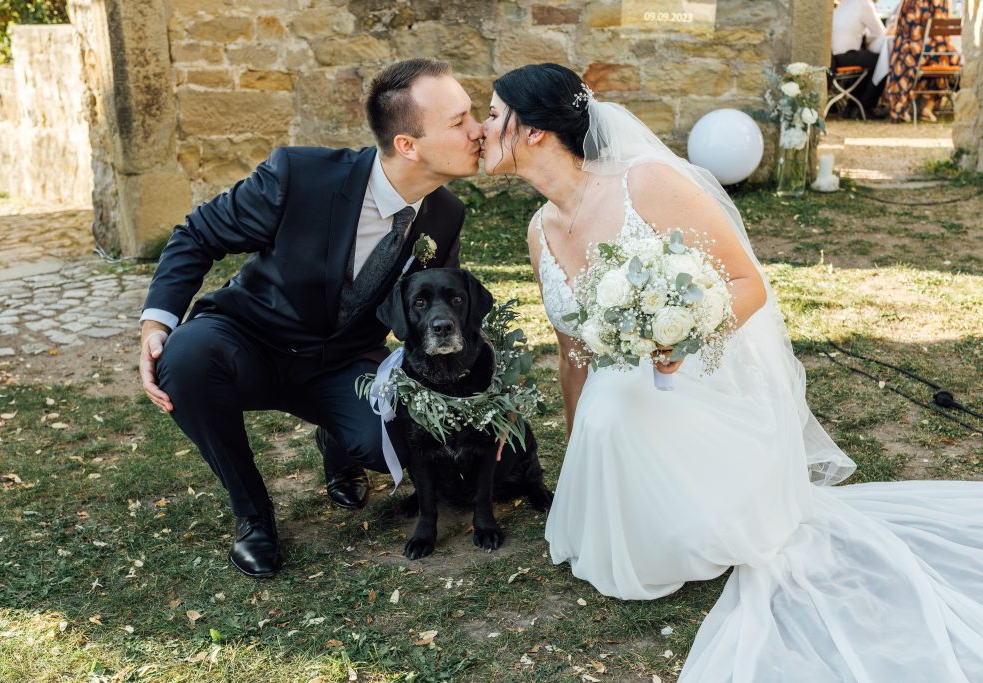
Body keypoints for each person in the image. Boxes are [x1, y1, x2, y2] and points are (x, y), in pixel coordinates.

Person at [481, 63, 983, 681]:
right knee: (607, 405)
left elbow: (747, 284)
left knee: (618, 410)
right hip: (615, 408)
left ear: (532, 130)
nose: (482, 128)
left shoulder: (646, 184)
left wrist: (684, 337)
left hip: (695, 380)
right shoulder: (538, 231)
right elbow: (571, 355)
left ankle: (701, 506)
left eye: (493, 114)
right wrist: (580, 460)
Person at [138, 58, 483, 578]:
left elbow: (434, 309)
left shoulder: (446, 215)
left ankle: (337, 442)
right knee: (184, 360)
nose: (478, 131)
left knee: (394, 443)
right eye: (459, 122)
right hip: (249, 340)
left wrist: (473, 396)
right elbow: (197, 235)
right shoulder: (299, 175)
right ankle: (253, 515)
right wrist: (156, 325)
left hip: (345, 362)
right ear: (408, 145)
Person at [884, 0, 961, 122]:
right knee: (946, 58)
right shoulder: (942, 2)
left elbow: (901, 30)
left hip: (911, 57)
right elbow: (944, 29)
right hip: (936, 55)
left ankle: (906, 106)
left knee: (905, 58)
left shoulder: (909, 3)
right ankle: (927, 108)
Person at [831, 0, 888, 117]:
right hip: (845, 56)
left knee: (871, 61)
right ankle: (866, 106)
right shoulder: (864, 3)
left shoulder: (844, 4)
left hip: (833, 57)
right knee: (883, 61)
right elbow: (881, 33)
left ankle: (854, 106)